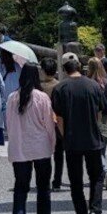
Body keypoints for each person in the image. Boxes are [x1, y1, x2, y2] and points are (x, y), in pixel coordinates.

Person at [50, 53, 107, 214]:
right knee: (97, 176)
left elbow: (59, 118)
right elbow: (100, 112)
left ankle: (81, 213)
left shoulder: (60, 88)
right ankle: (95, 210)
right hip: (93, 138)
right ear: (80, 68)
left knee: (76, 182)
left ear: (64, 70)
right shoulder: (94, 86)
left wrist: (64, 136)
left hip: (72, 139)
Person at [6, 64, 56, 214]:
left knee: (20, 189)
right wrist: (52, 144)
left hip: (20, 149)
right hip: (41, 147)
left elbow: (8, 124)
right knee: (43, 189)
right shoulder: (42, 97)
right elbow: (49, 124)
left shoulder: (12, 97)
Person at [84, 57, 107, 192]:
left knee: (97, 151)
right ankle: (104, 173)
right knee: (102, 149)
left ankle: (105, 171)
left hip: (94, 119)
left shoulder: (89, 84)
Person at [38, 57, 65, 192]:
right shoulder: (60, 85)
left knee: (44, 153)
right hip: (57, 123)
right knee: (59, 154)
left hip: (42, 124)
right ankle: (57, 181)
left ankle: (44, 180)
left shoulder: (38, 87)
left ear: (43, 70)